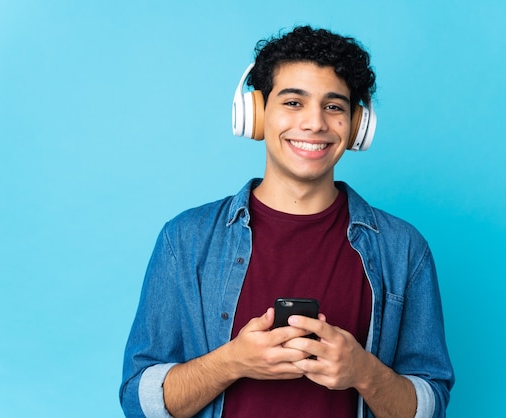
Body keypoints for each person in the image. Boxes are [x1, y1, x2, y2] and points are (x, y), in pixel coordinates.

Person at [120, 25, 454, 418]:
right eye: (293, 102)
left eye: (333, 106)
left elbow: (430, 406)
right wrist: (233, 362)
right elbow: (139, 401)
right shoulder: (186, 239)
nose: (315, 124)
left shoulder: (403, 249)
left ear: (357, 124)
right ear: (257, 114)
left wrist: (364, 372)